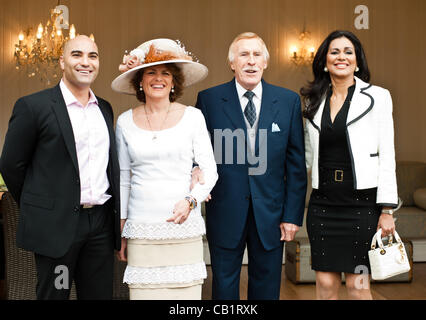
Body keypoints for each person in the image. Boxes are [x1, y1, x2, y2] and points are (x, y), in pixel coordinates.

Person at [0, 35, 121, 300]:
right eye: (77, 55)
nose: (85, 62)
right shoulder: (34, 107)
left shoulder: (105, 109)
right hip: (58, 228)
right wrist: (43, 206)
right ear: (62, 62)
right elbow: (11, 165)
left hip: (99, 226)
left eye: (93, 56)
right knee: (57, 293)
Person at [195, 32, 307, 300]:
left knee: (267, 289)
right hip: (225, 211)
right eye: (243, 55)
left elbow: (295, 165)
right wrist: (195, 170)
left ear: (265, 62)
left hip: (270, 214)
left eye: (257, 55)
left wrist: (292, 216)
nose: (251, 61)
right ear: (232, 63)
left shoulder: (288, 101)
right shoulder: (209, 100)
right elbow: (197, 151)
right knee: (223, 288)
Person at [111, 38, 218, 300]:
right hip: (141, 228)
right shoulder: (124, 122)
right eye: (151, 72)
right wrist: (122, 225)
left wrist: (191, 201)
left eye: (165, 73)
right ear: (139, 80)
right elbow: (123, 177)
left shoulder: (193, 117)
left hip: (184, 227)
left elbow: (210, 171)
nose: (158, 78)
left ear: (174, 81)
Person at [301, 30, 398, 300]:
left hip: (362, 206)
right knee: (325, 286)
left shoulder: (378, 96)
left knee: (358, 286)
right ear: (324, 61)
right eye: (334, 52)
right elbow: (308, 155)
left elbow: (387, 154)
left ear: (357, 61)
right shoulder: (313, 100)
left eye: (348, 52)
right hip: (323, 205)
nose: (341, 57)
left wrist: (387, 209)